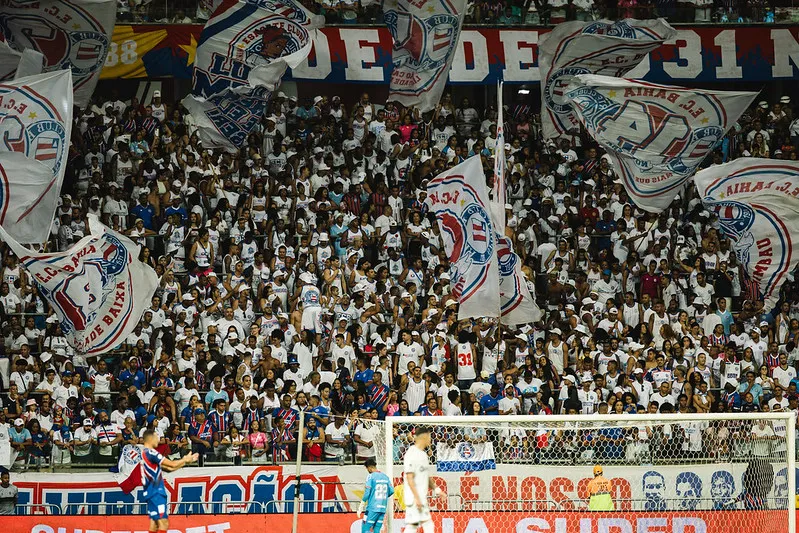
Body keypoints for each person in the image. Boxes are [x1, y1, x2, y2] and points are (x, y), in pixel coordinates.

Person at [141, 429, 198, 533]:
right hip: (156, 492)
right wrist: (185, 459)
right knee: (164, 522)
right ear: (150, 438)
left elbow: (169, 469)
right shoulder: (151, 453)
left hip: (151, 492)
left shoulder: (145, 453)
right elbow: (171, 464)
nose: (158, 440)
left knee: (154, 523)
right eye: (156, 437)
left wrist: (185, 462)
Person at [403, 426, 446, 533]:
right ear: (425, 437)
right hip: (414, 497)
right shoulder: (411, 454)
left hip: (420, 497)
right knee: (417, 525)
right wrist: (416, 498)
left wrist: (438, 490)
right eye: (429, 437)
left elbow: (426, 476)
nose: (430, 440)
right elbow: (409, 478)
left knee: (421, 525)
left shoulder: (423, 455)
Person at [357, 457, 394, 533]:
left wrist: (361, 506)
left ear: (370, 468)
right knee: (376, 530)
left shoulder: (371, 476)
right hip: (382, 509)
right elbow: (392, 491)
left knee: (365, 528)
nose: (368, 471)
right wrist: (381, 498)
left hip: (372, 508)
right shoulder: (385, 477)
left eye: (367, 469)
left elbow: (367, 492)